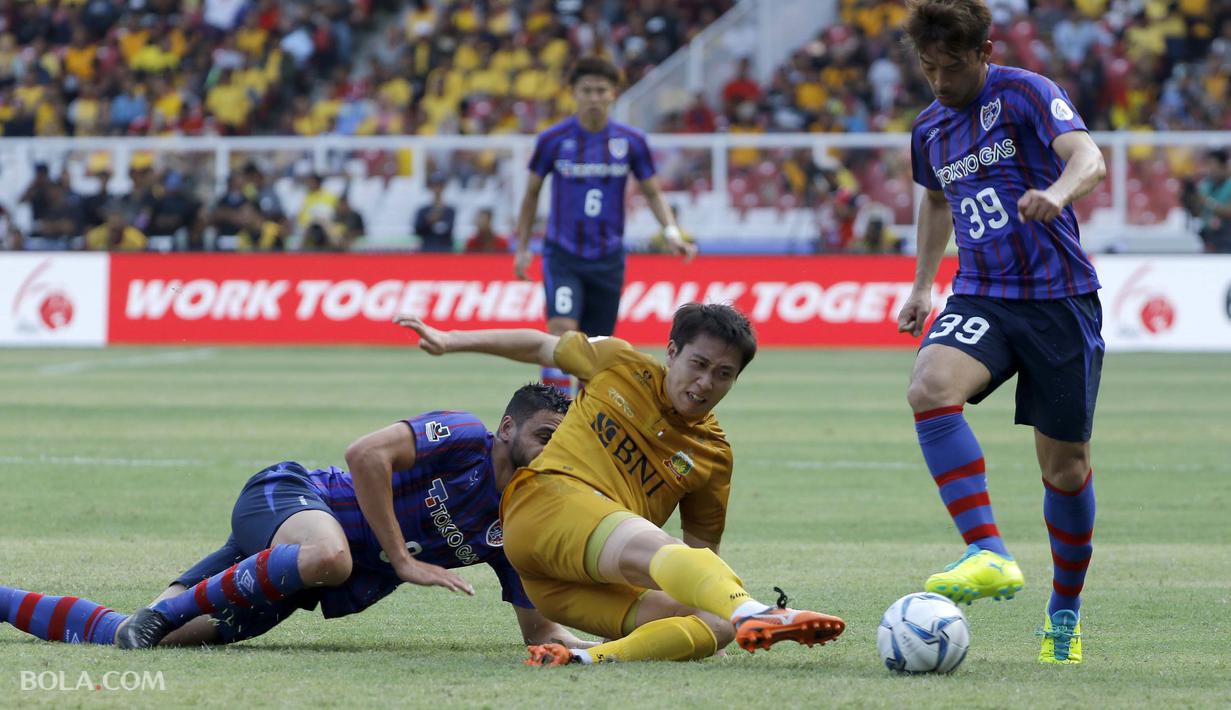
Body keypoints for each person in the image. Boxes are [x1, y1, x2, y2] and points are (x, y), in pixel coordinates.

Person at [395, 304, 844, 666]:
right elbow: (540, 344)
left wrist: (715, 624)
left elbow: (702, 550)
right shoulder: (618, 364)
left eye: (724, 374)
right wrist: (450, 339)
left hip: (555, 588)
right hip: (543, 507)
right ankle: (755, 612)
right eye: (699, 364)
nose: (706, 383)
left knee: (714, 622)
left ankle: (585, 659)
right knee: (699, 582)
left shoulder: (713, 454)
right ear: (672, 351)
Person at [2, 385, 591, 651]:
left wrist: (621, 644)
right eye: (543, 436)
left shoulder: (520, 522)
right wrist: (405, 560)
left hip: (294, 575)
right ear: (508, 429)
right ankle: (165, 614)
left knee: (133, 636)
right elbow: (364, 453)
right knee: (331, 556)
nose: (548, 452)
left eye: (559, 446)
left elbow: (540, 630)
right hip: (293, 498)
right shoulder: (463, 435)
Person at [895, 0, 1107, 666]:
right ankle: (986, 550)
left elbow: (1088, 156)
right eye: (927, 67)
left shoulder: (1025, 94)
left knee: (1064, 470)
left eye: (951, 66)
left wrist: (1059, 192)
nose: (939, 81)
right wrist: (923, 285)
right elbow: (934, 201)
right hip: (982, 292)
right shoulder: (928, 126)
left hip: (1058, 301)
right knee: (929, 387)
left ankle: (1063, 615)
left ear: (983, 51)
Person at [513, 56, 696, 395]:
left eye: (601, 90)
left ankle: (584, 424)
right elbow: (531, 195)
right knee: (562, 334)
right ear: (574, 93)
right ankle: (552, 415)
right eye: (587, 90)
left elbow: (653, 192)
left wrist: (672, 232)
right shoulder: (553, 140)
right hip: (563, 254)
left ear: (613, 94)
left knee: (597, 350)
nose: (594, 97)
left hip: (608, 258)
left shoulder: (631, 141)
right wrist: (523, 247)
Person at [414, 172, 456, 253]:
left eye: (440, 185)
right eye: (435, 185)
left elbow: (449, 230)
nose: (437, 189)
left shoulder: (450, 211)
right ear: (431, 187)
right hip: (427, 250)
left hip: (445, 251)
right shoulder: (422, 210)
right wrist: (429, 220)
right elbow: (418, 230)